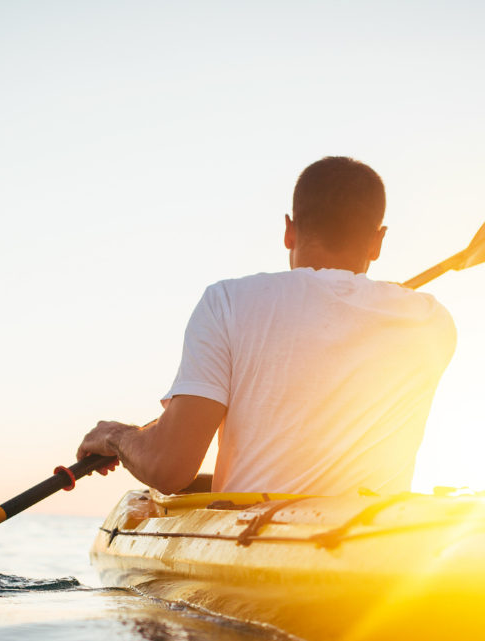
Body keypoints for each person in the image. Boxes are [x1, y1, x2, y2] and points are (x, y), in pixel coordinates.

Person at [76, 156, 456, 496]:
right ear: (378, 242)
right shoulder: (430, 320)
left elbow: (169, 467)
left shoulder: (226, 302)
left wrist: (116, 435)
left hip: (246, 541)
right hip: (374, 538)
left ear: (289, 230)